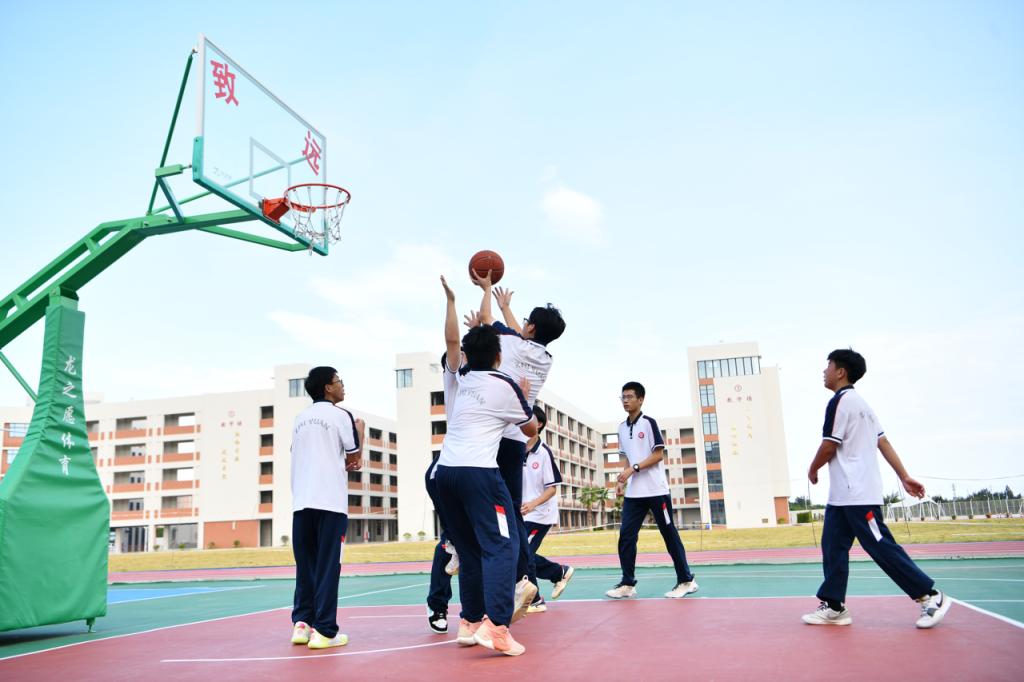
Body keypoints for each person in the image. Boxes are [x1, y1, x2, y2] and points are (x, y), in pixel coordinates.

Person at [804, 349, 951, 628]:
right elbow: (882, 442)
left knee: (880, 546)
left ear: (840, 372)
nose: (824, 371)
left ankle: (930, 596)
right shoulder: (864, 406)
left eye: (828, 366)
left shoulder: (841, 402)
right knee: (832, 546)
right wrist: (904, 476)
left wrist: (812, 468)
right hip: (842, 497)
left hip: (858, 494)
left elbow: (829, 445)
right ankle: (834, 606)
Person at [432, 275, 539, 656]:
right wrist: (523, 398)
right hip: (479, 474)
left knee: (469, 548)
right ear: (498, 356)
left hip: (444, 474)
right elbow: (530, 428)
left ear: (466, 352)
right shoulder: (504, 384)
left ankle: (470, 621)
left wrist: (450, 301)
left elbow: (450, 341)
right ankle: (497, 627)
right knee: (503, 547)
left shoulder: (458, 377)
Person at [470, 273, 566, 621]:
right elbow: (520, 335)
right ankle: (524, 580)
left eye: (526, 321)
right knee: (511, 515)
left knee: (480, 506)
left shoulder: (510, 344)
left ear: (530, 327)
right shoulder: (545, 358)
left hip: (491, 438)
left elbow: (485, 321)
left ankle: (457, 546)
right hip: (516, 443)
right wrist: (507, 308)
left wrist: (487, 291)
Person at [289, 367, 364, 649]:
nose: (343, 385)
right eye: (339, 381)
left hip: (301, 502)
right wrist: (361, 431)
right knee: (328, 567)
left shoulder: (300, 418)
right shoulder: (341, 415)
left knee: (305, 567)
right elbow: (354, 457)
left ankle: (302, 624)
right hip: (330, 502)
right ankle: (325, 631)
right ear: (327, 388)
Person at [605, 381, 697, 599]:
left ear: (640, 399)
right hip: (634, 494)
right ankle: (627, 584)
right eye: (623, 397)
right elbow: (628, 457)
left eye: (629, 397)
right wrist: (622, 480)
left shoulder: (649, 423)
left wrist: (634, 469)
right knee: (626, 537)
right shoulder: (621, 427)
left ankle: (686, 581)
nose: (625, 401)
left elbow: (658, 455)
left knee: (669, 534)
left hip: (656, 491)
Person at [520, 405, 575, 613]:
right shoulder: (516, 449)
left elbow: (552, 489)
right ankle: (559, 573)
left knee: (524, 553)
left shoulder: (543, 453)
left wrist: (533, 504)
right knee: (520, 553)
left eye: (529, 419)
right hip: (522, 514)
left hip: (540, 514)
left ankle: (535, 600)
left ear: (539, 424)